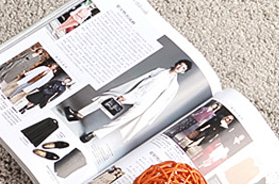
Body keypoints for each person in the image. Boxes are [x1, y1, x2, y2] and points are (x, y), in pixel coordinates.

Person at [63, 60, 192, 143]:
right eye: (180, 64)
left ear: (183, 72)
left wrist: (149, 113)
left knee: (121, 120)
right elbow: (140, 81)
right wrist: (127, 95)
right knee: (105, 99)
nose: (180, 67)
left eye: (183, 68)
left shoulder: (174, 86)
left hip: (145, 104)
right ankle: (79, 114)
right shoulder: (160, 71)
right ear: (177, 63)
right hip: (134, 94)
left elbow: (162, 102)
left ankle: (94, 134)